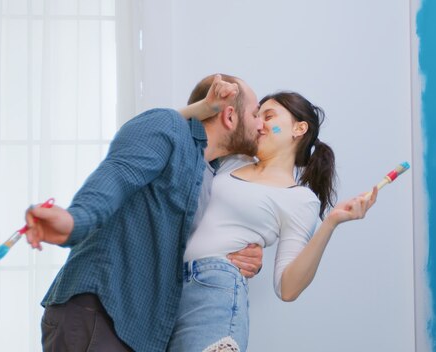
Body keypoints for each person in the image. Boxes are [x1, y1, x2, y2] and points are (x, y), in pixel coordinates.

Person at [23, 74, 266, 351]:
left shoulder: (210, 176)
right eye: (256, 113)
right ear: (230, 116)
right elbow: (118, 174)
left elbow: (201, 243)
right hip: (102, 311)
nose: (262, 124)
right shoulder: (168, 126)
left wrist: (244, 255)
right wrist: (75, 219)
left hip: (140, 333)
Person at [167, 76, 378, 351]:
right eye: (256, 115)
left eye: (268, 115)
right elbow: (179, 132)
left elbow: (287, 288)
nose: (259, 123)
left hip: (215, 296)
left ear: (299, 128)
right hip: (169, 287)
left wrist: (331, 223)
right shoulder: (232, 160)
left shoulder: (300, 200)